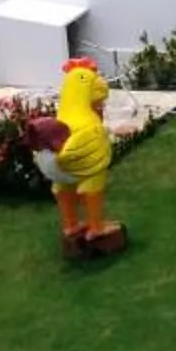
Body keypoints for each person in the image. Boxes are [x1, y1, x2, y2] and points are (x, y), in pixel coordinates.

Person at [44, 57, 120, 257]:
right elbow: (91, 158)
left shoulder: (61, 119)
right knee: (92, 184)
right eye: (99, 102)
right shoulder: (88, 125)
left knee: (64, 187)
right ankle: (96, 227)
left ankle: (70, 225)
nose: (101, 105)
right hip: (79, 164)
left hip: (54, 167)